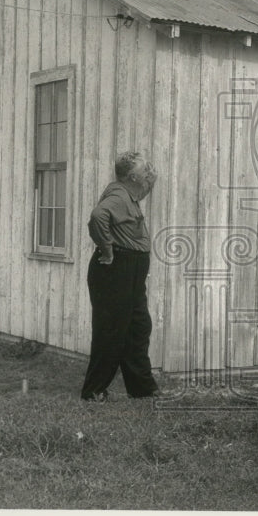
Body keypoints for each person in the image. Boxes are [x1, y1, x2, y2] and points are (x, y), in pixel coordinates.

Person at [81, 151, 160, 401]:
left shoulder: (128, 193)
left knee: (138, 327)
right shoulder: (118, 196)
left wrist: (151, 179)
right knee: (111, 330)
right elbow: (97, 216)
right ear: (132, 177)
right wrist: (107, 249)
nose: (149, 174)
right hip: (116, 269)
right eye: (145, 171)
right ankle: (94, 392)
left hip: (130, 270)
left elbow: (143, 188)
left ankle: (142, 389)